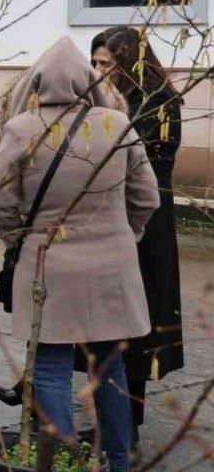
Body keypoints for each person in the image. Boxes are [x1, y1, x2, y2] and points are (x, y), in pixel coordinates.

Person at [0, 37, 158, 472]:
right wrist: (125, 235)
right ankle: (119, 462)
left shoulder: (21, 129)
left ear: (38, 82)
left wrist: (19, 246)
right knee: (110, 370)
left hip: (48, 269)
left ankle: (62, 461)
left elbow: (2, 205)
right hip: (111, 269)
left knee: (49, 370)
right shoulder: (118, 125)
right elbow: (147, 197)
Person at [92, 26, 185, 439]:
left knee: (135, 325)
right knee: (108, 327)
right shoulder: (110, 101)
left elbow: (145, 171)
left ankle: (125, 424)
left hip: (146, 227)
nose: (98, 71)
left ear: (128, 63)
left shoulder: (157, 103)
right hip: (114, 221)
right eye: (94, 63)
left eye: (106, 64)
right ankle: (115, 422)